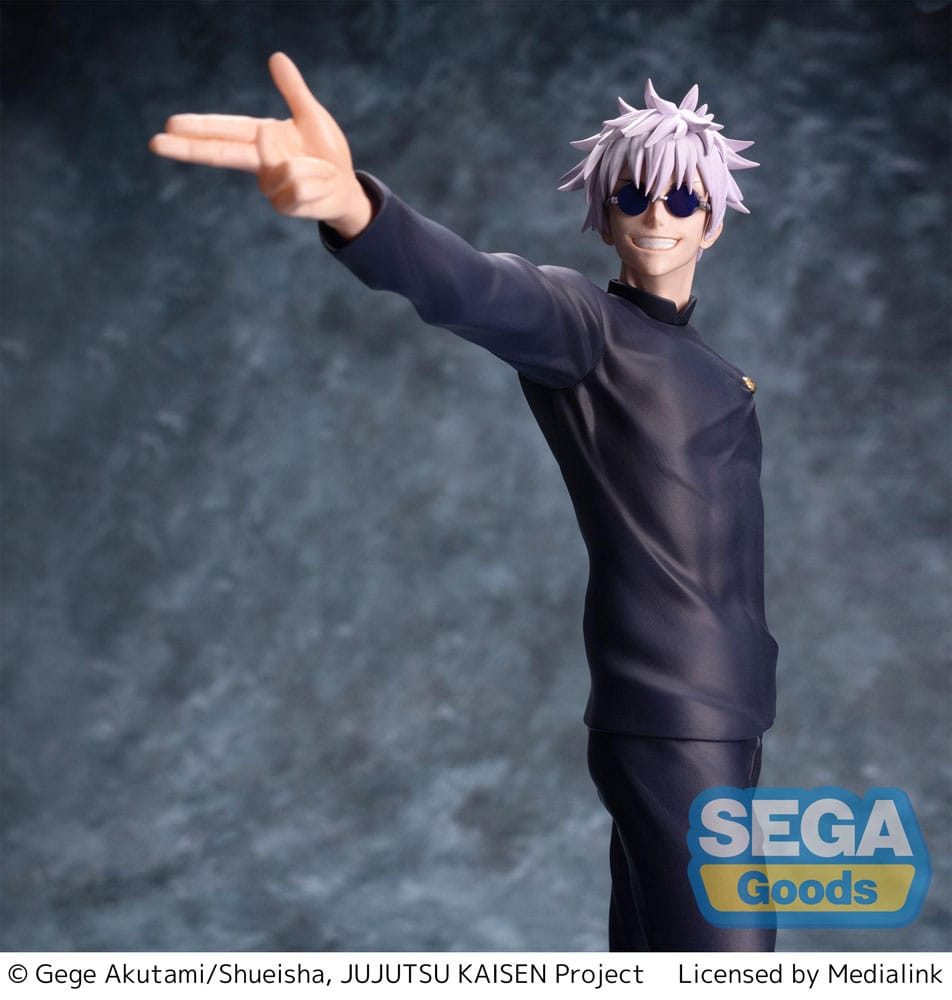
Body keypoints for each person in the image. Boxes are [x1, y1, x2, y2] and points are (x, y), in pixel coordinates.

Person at [150, 53, 778, 951]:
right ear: (604, 215)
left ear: (712, 220)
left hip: (731, 712)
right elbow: (474, 286)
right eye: (633, 195)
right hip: (670, 712)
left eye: (682, 199)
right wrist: (357, 211)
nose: (656, 216)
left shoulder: (718, 371)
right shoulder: (585, 326)